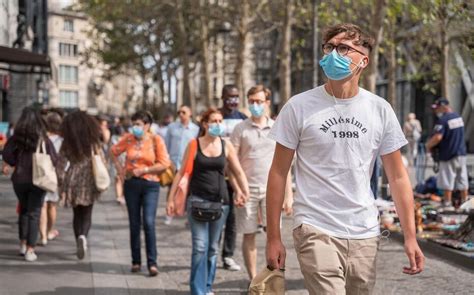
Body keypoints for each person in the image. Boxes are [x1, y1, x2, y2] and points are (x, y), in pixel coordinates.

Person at [265, 23, 425, 294]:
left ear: (364, 60)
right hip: (315, 226)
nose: (332, 54)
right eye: (328, 47)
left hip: (364, 231)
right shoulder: (298, 106)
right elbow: (279, 172)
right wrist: (273, 237)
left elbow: (397, 176)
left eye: (343, 48)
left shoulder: (380, 110)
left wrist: (410, 236)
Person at [166, 107, 249, 295]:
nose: (217, 125)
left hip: (222, 203)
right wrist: (171, 199)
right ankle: (197, 290)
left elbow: (237, 170)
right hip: (197, 201)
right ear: (205, 124)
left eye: (220, 121)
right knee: (200, 247)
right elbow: (180, 173)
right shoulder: (194, 145)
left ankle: (208, 287)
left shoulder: (226, 145)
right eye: (214, 121)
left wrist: (244, 191)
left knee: (212, 248)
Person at [230, 85, 293, 280]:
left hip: (272, 191)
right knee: (248, 235)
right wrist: (238, 189)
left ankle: (272, 279)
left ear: (267, 103)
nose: (255, 105)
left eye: (259, 101)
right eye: (251, 102)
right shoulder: (240, 129)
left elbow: (286, 166)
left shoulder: (278, 126)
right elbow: (231, 162)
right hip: (247, 190)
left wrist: (288, 195)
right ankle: (254, 280)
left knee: (274, 236)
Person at [110, 111, 171, 276]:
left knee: (149, 222)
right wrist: (121, 170)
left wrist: (145, 169)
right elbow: (113, 151)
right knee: (134, 223)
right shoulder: (128, 138)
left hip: (151, 184)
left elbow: (165, 163)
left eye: (138, 124)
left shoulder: (156, 139)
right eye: (133, 124)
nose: (135, 127)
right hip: (131, 185)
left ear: (147, 125)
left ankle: (152, 262)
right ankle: (135, 261)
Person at [3, 107, 58, 262]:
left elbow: (7, 154)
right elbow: (54, 158)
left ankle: (22, 243)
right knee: (34, 213)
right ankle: (30, 250)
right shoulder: (43, 138)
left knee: (24, 210)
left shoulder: (16, 137)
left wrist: (15, 162)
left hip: (20, 180)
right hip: (38, 180)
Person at [56, 111, 105, 260]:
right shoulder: (93, 141)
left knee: (76, 213)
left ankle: (78, 237)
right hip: (89, 178)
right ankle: (83, 236)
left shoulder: (67, 142)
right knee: (87, 212)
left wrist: (60, 181)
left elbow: (61, 163)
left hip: (73, 178)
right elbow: (101, 158)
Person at [219, 84, 248, 271]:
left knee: (231, 219)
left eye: (237, 96)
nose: (234, 100)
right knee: (215, 217)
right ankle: (211, 253)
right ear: (222, 97)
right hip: (217, 176)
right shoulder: (215, 118)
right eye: (230, 96)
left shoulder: (243, 119)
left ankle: (228, 255)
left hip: (235, 177)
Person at [426, 98, 469, 208]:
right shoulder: (458, 117)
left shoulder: (443, 120)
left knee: (447, 179)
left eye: (437, 108)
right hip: (461, 153)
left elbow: (438, 137)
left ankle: (447, 202)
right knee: (462, 178)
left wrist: (428, 145)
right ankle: (465, 202)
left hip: (448, 154)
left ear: (444, 106)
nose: (436, 111)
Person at [164, 105, 199, 225]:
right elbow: (166, 145)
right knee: (172, 189)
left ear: (190, 113)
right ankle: (169, 213)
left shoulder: (196, 130)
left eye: (184, 112)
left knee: (188, 190)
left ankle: (189, 217)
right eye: (179, 112)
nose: (181, 114)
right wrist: (168, 161)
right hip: (174, 163)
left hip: (189, 164)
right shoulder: (172, 127)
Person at [39, 111, 64, 245]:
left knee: (42, 205)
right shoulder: (62, 141)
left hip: (41, 174)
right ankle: (49, 231)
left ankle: (42, 236)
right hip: (55, 176)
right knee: (52, 206)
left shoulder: (41, 139)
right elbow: (65, 162)